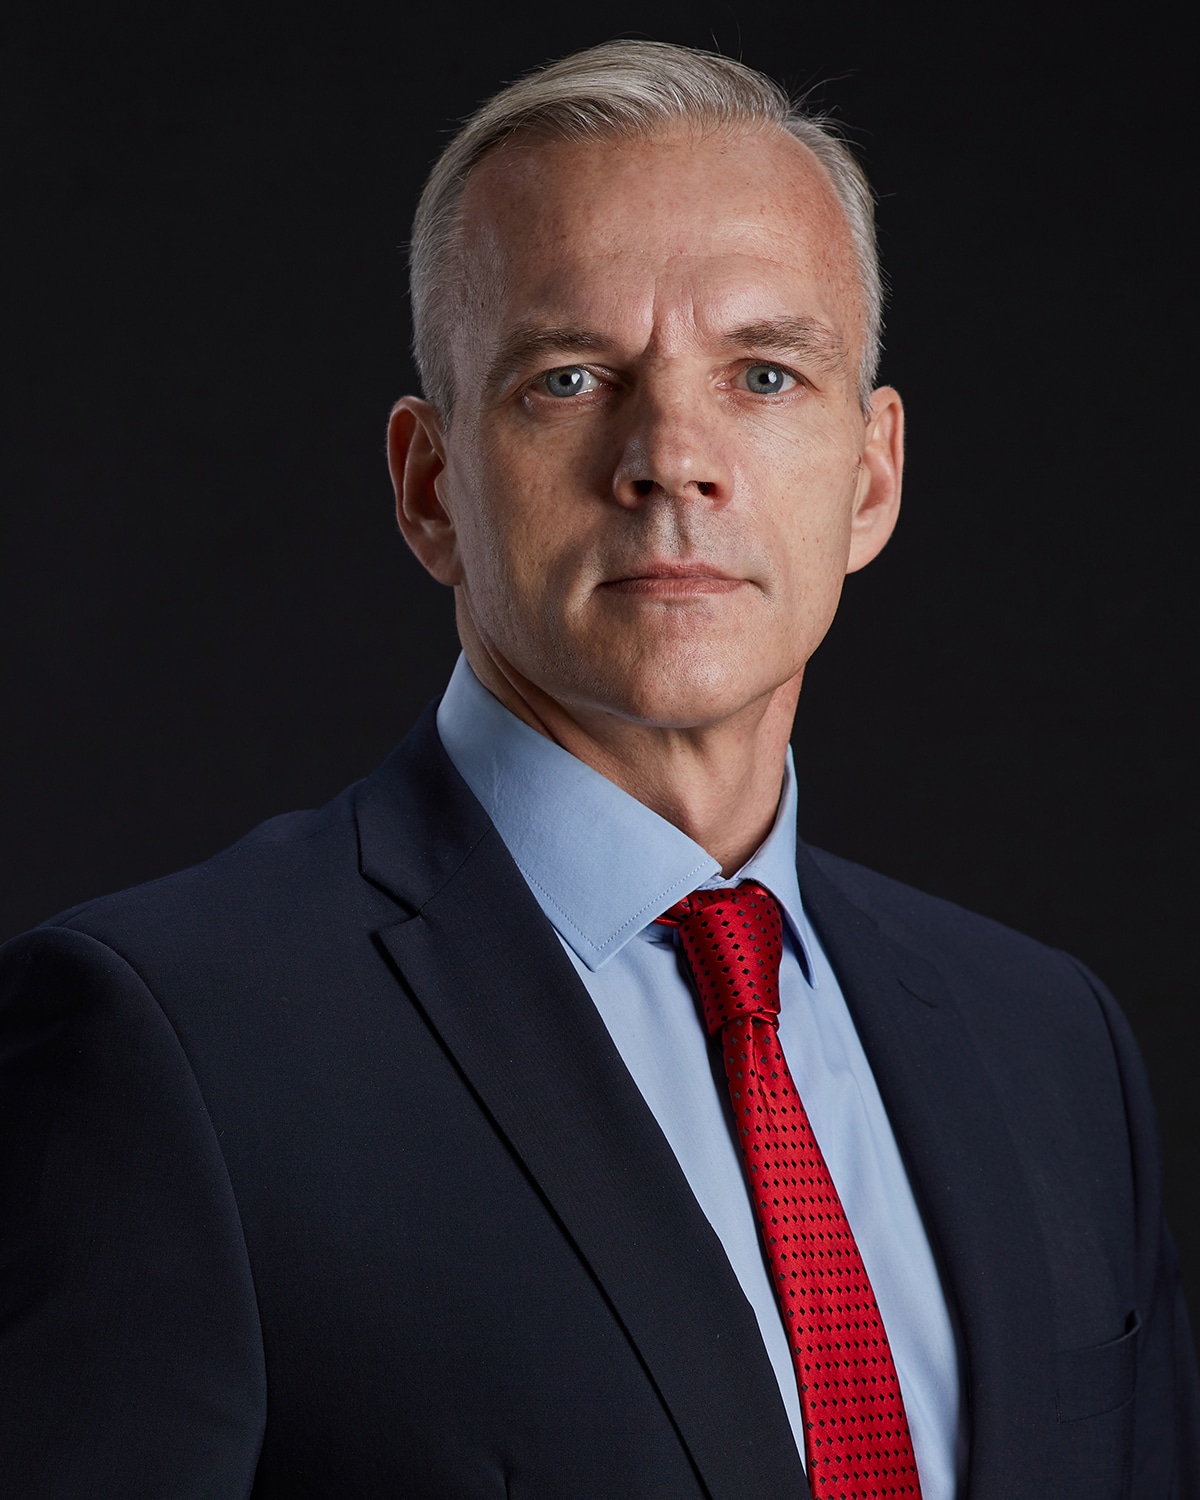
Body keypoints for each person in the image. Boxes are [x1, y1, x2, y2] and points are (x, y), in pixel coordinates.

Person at [1, 38, 1195, 1499]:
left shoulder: (1052, 1045)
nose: (673, 458)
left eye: (764, 373)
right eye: (571, 379)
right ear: (431, 486)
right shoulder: (164, 1043)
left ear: (871, 476)